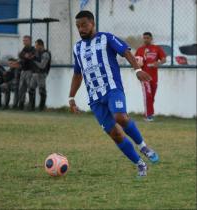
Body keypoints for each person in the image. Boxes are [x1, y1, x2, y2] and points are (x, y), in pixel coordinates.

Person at [68, 10, 159, 177]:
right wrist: (71, 97)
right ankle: (140, 164)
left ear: (93, 24)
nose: (81, 29)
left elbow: (125, 51)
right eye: (78, 26)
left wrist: (137, 69)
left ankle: (143, 146)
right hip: (95, 99)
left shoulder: (106, 38)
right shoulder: (77, 48)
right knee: (115, 134)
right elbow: (77, 74)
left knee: (120, 117)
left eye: (84, 25)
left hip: (112, 89)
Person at [135, 32, 166, 121]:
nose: (145, 40)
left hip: (154, 78)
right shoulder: (140, 50)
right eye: (144, 38)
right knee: (148, 95)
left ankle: (149, 113)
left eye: (147, 38)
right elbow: (136, 61)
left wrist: (158, 63)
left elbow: (164, 59)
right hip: (144, 77)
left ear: (151, 38)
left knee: (152, 97)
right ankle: (148, 116)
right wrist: (138, 65)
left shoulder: (156, 48)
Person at [29, 39, 51, 111]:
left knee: (42, 91)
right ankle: (31, 107)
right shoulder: (37, 53)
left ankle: (41, 108)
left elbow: (42, 66)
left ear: (41, 45)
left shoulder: (45, 54)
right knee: (31, 90)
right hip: (35, 73)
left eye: (36, 46)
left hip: (41, 74)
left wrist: (34, 60)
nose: (35, 47)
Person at [18, 35, 35, 110]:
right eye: (23, 40)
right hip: (23, 71)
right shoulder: (24, 49)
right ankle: (21, 105)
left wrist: (24, 56)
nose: (24, 42)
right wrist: (24, 55)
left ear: (30, 41)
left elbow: (29, 56)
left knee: (30, 88)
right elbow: (20, 55)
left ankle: (31, 106)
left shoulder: (33, 49)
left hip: (29, 71)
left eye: (26, 40)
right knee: (22, 89)